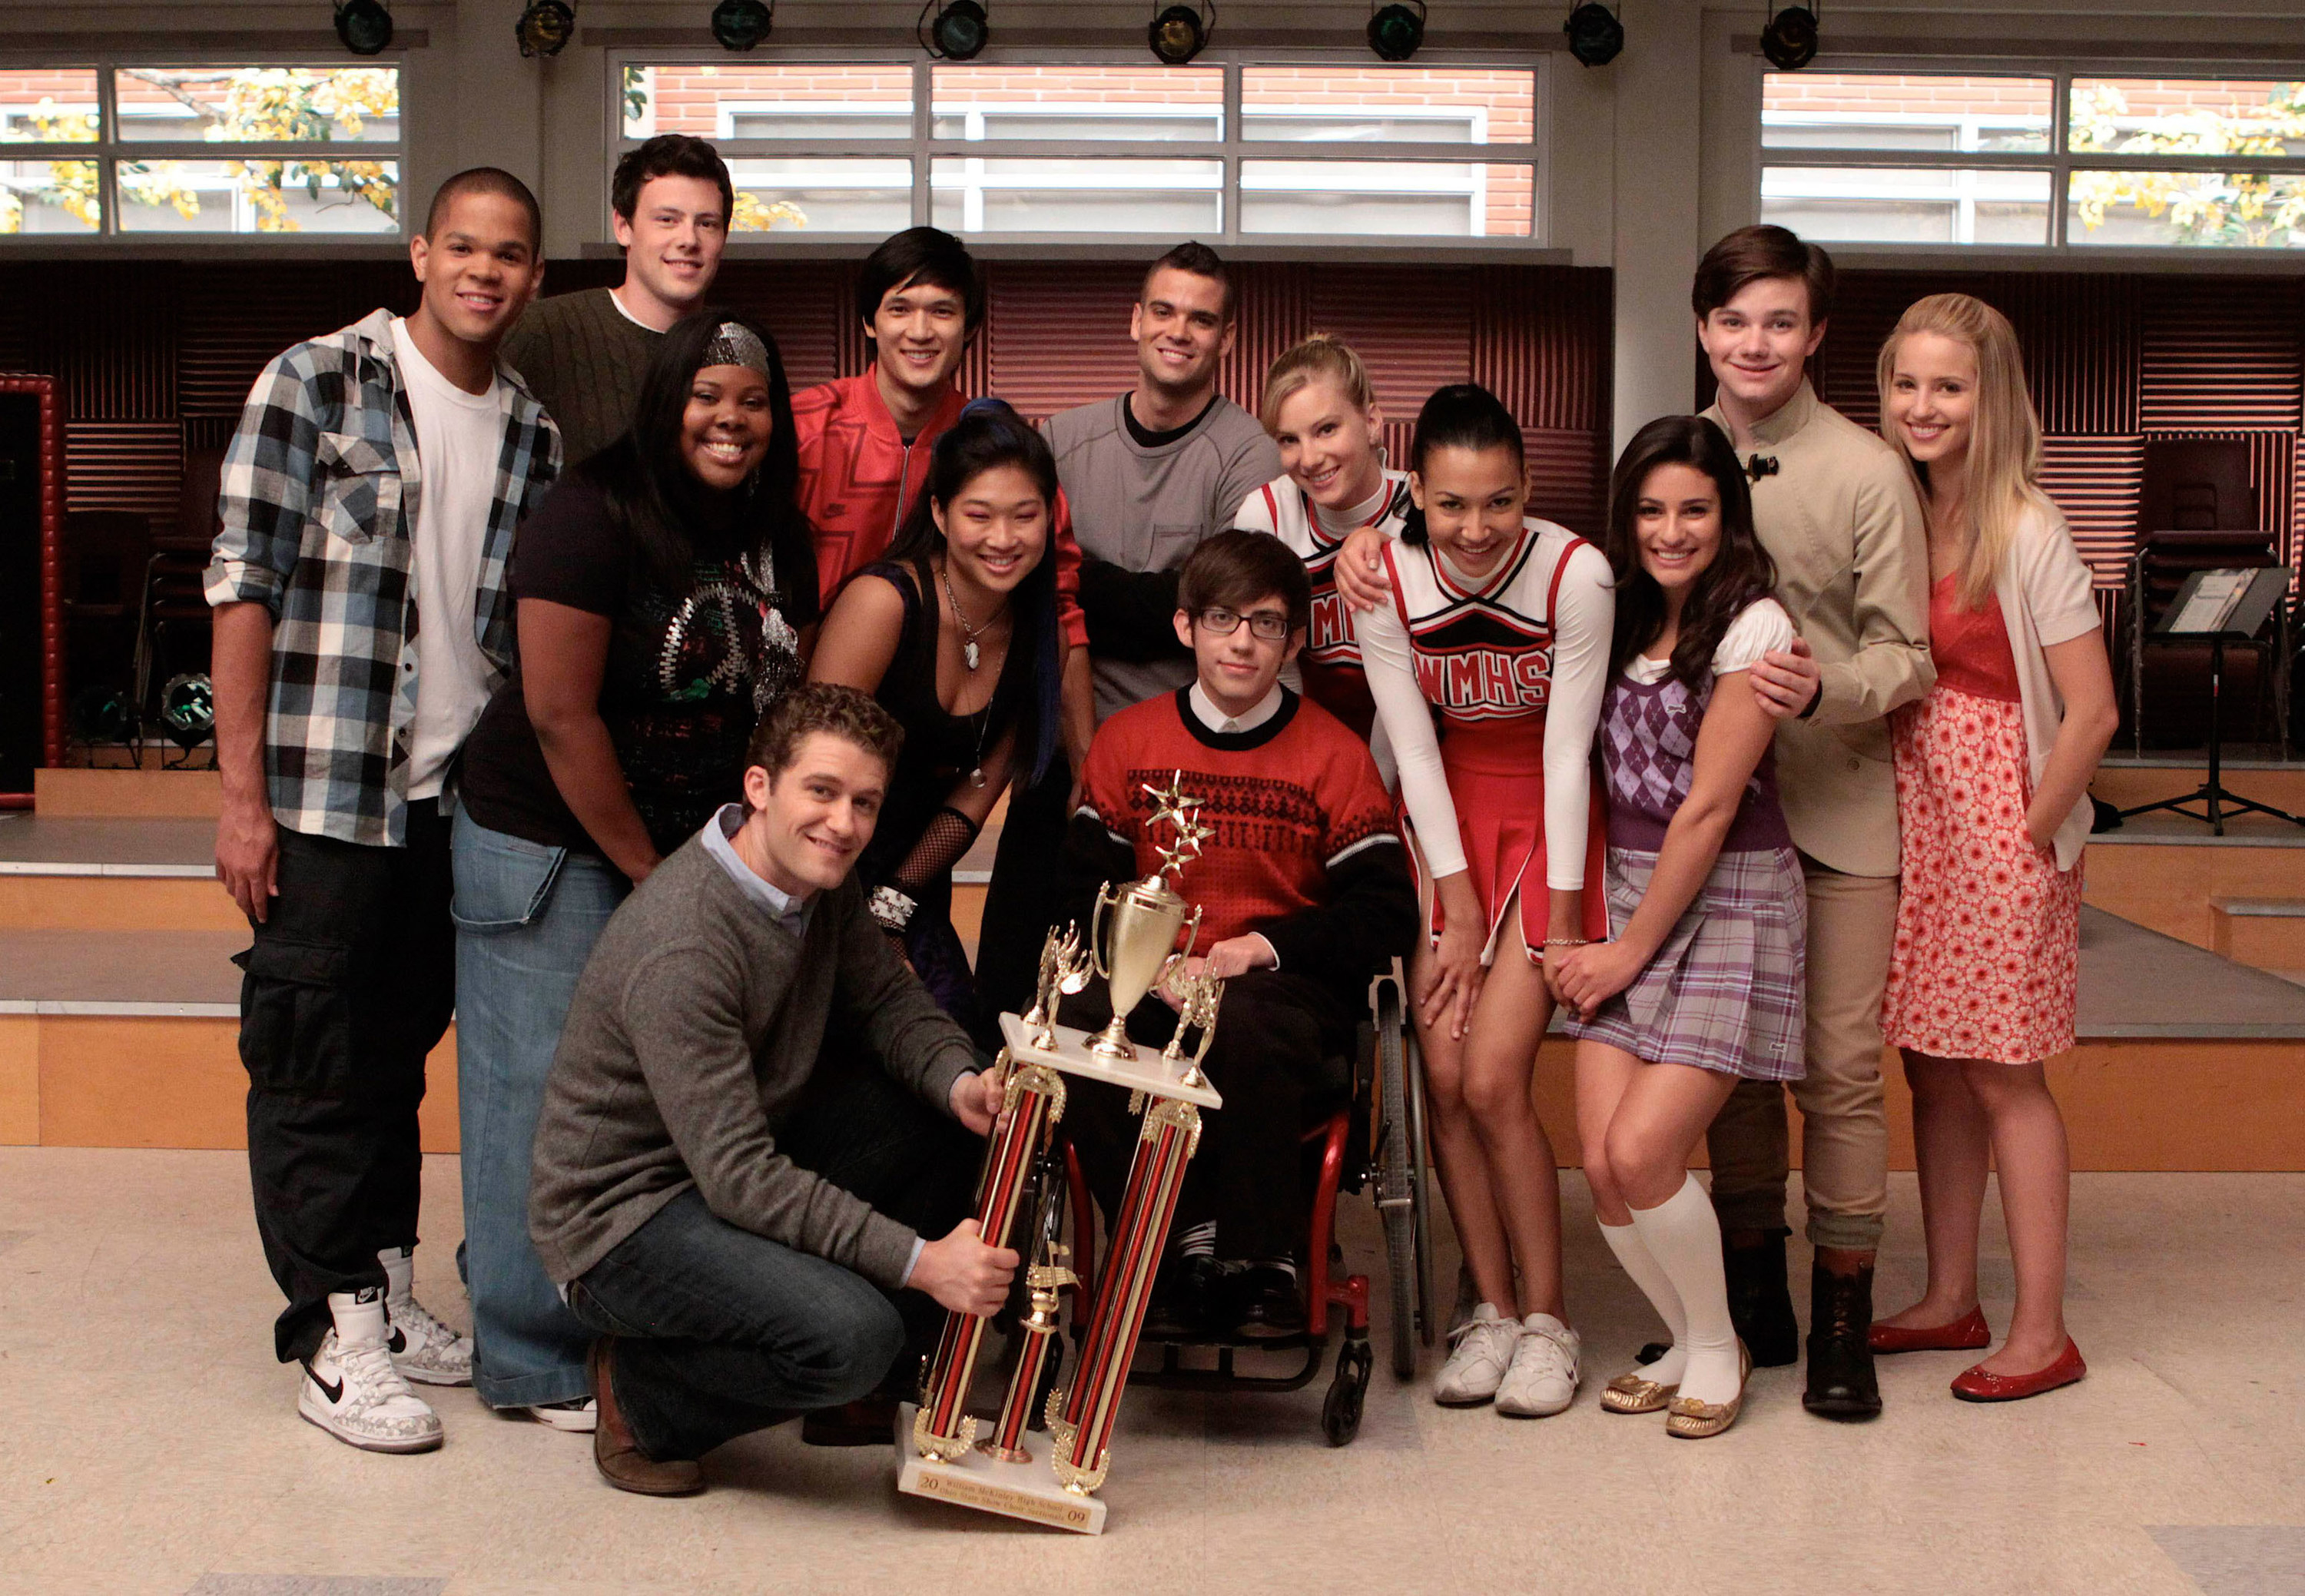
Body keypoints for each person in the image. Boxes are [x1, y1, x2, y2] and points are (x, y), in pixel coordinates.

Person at [205, 168, 558, 1454]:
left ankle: (391, 1291)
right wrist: (243, 797)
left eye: (509, 254)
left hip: (452, 808)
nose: (484, 270)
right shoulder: (316, 379)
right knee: (311, 1057)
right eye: (463, 245)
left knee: (395, 1051)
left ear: (531, 275)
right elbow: (242, 581)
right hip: (323, 792)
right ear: (422, 251)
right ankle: (332, 1332)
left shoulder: (531, 430)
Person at [449, 311, 818, 1431]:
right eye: (708, 396)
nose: (731, 419)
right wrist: (654, 874)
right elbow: (561, 716)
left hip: (680, 849)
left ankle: (598, 1309)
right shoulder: (590, 512)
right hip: (552, 843)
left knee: (647, 1106)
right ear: (667, 401)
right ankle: (529, 1357)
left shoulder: (775, 532)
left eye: (752, 401)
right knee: (537, 1094)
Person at [529, 684, 1016, 1497]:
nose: (844, 823)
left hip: (730, 1158)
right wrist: (921, 1261)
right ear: (759, 787)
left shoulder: (814, 884)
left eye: (864, 802)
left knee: (941, 1116)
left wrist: (960, 1080)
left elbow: (889, 1000)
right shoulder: (684, 942)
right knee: (853, 1335)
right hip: (626, 1218)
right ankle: (643, 1400)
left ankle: (849, 1391)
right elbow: (743, 1178)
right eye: (820, 792)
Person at [1682, 225, 1932, 1419]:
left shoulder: (1867, 470)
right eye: (1734, 321)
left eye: (1780, 321)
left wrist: (1827, 684)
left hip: (1837, 811)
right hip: (1716, 818)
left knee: (1835, 1072)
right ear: (1703, 330)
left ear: (1818, 335)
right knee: (1728, 1070)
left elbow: (1911, 654)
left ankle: (1843, 1313)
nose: (1755, 343)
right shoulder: (1679, 455)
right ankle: (1750, 1291)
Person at [1058, 532, 1416, 1339]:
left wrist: (1267, 947)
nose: (1242, 641)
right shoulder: (1130, 741)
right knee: (1074, 1027)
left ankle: (1263, 1262)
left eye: (1264, 623)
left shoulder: (1333, 753)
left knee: (1245, 1021)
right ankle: (1172, 1244)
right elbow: (1083, 888)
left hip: (1277, 989)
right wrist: (1149, 965)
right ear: (1186, 627)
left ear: (1294, 641)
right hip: (1148, 983)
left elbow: (1387, 910)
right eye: (1223, 618)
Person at [1866, 294, 2115, 1402]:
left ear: (1992, 397)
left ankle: (2042, 1329)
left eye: (1949, 387)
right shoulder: (1900, 507)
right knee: (1932, 1061)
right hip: (1916, 807)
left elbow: (2094, 711)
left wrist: (2024, 839)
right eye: (1907, 384)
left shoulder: (2030, 526)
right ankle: (1949, 1293)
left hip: (2003, 814)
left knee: (2004, 1073)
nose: (1923, 407)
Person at [1355, 383, 1612, 1416]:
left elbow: (1568, 749)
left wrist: (1549, 920)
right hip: (1441, 820)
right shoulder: (1386, 571)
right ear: (1416, 488)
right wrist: (1454, 905)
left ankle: (1551, 1321)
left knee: (1499, 1075)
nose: (1474, 527)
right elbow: (1413, 745)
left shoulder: (1576, 571)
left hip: (1549, 821)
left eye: (1498, 501)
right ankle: (1493, 1310)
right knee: (1446, 1077)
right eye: (1452, 502)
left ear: (1528, 489)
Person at [1553, 416, 1808, 1442]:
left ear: (1726, 517)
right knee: (1603, 1159)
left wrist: (1621, 947)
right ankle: (1687, 1337)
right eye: (1651, 509)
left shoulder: (1756, 626)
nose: (1671, 529)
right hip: (1627, 886)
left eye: (1694, 509)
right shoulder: (1614, 615)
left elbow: (1706, 811)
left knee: (1647, 1147)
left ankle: (1716, 1344)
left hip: (1731, 896)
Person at [977, 242, 1284, 1030]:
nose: (1180, 330)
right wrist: (1140, 598)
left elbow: (1220, 606)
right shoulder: (1066, 439)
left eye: (1202, 318)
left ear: (1228, 339)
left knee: (1139, 1000)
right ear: (1136, 320)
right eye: (1165, 310)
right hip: (1062, 747)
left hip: (1181, 768)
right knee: (1014, 981)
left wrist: (1084, 581)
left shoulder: (1245, 451)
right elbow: (1031, 587)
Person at [809, 400, 1062, 1029]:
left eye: (1025, 516)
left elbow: (980, 785)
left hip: (913, 879)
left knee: (957, 1042)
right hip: (821, 867)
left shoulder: (1034, 629)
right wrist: (860, 923)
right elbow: (810, 771)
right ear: (941, 513)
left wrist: (894, 906)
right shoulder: (883, 604)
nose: (1003, 539)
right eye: (979, 514)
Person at [502, 136, 732, 466]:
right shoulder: (540, 331)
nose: (689, 240)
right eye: (667, 219)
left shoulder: (738, 347)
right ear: (623, 227)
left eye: (706, 223)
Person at [1231, 332, 1413, 745]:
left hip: (1415, 741)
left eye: (1327, 429)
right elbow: (1273, 665)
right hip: (1303, 735)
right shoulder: (1266, 514)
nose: (1310, 459)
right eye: (1289, 440)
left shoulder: (1420, 505)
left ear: (1371, 421)